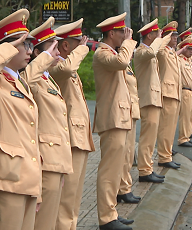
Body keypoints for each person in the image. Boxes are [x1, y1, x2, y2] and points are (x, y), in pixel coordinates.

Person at [0, 9, 42, 230]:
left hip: (27, 179)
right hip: (6, 181)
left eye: (29, 45)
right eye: (23, 45)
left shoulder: (19, 81)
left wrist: (38, 186)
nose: (29, 51)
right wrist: (4, 50)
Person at [50, 19, 96, 230]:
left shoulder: (70, 64)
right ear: (65, 45)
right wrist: (83, 50)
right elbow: (66, 69)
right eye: (78, 41)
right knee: (66, 198)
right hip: (69, 137)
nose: (83, 45)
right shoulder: (57, 64)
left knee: (75, 195)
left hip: (78, 136)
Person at [92, 13, 137, 230]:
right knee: (109, 169)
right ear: (112, 33)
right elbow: (122, 62)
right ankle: (106, 218)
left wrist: (125, 43)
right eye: (122, 32)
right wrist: (128, 44)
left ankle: (112, 213)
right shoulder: (102, 53)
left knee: (117, 167)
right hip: (112, 118)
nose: (125, 35)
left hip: (120, 117)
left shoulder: (112, 52)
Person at [25, 18, 70, 230]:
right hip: (45, 159)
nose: (58, 52)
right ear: (37, 54)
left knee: (50, 221)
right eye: (51, 49)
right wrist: (43, 58)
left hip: (56, 160)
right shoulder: (32, 78)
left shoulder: (47, 78)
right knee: (42, 223)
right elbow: (26, 80)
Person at [134, 19, 169, 182]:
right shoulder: (141, 52)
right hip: (148, 98)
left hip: (154, 98)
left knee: (151, 137)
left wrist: (162, 38)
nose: (159, 36)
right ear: (149, 36)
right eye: (156, 33)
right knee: (147, 137)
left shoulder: (149, 50)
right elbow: (152, 52)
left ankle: (148, 167)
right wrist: (161, 39)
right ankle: (144, 170)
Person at [156, 21, 183, 170]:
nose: (175, 38)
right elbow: (159, 50)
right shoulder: (163, 50)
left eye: (176, 35)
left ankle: (168, 152)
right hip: (167, 93)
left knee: (171, 127)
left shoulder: (172, 52)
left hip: (175, 92)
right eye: (172, 36)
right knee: (166, 127)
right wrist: (163, 38)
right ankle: (164, 157)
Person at [119, 51, 144, 204]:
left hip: (131, 111)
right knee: (124, 154)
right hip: (123, 113)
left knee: (128, 154)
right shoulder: (117, 62)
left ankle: (125, 187)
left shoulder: (127, 65)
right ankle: (122, 188)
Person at [177, 38, 192, 147]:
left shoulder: (188, 61)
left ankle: (188, 135)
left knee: (190, 116)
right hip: (185, 91)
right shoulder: (179, 60)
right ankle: (183, 138)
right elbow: (172, 57)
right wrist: (181, 50)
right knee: (185, 117)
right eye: (189, 49)